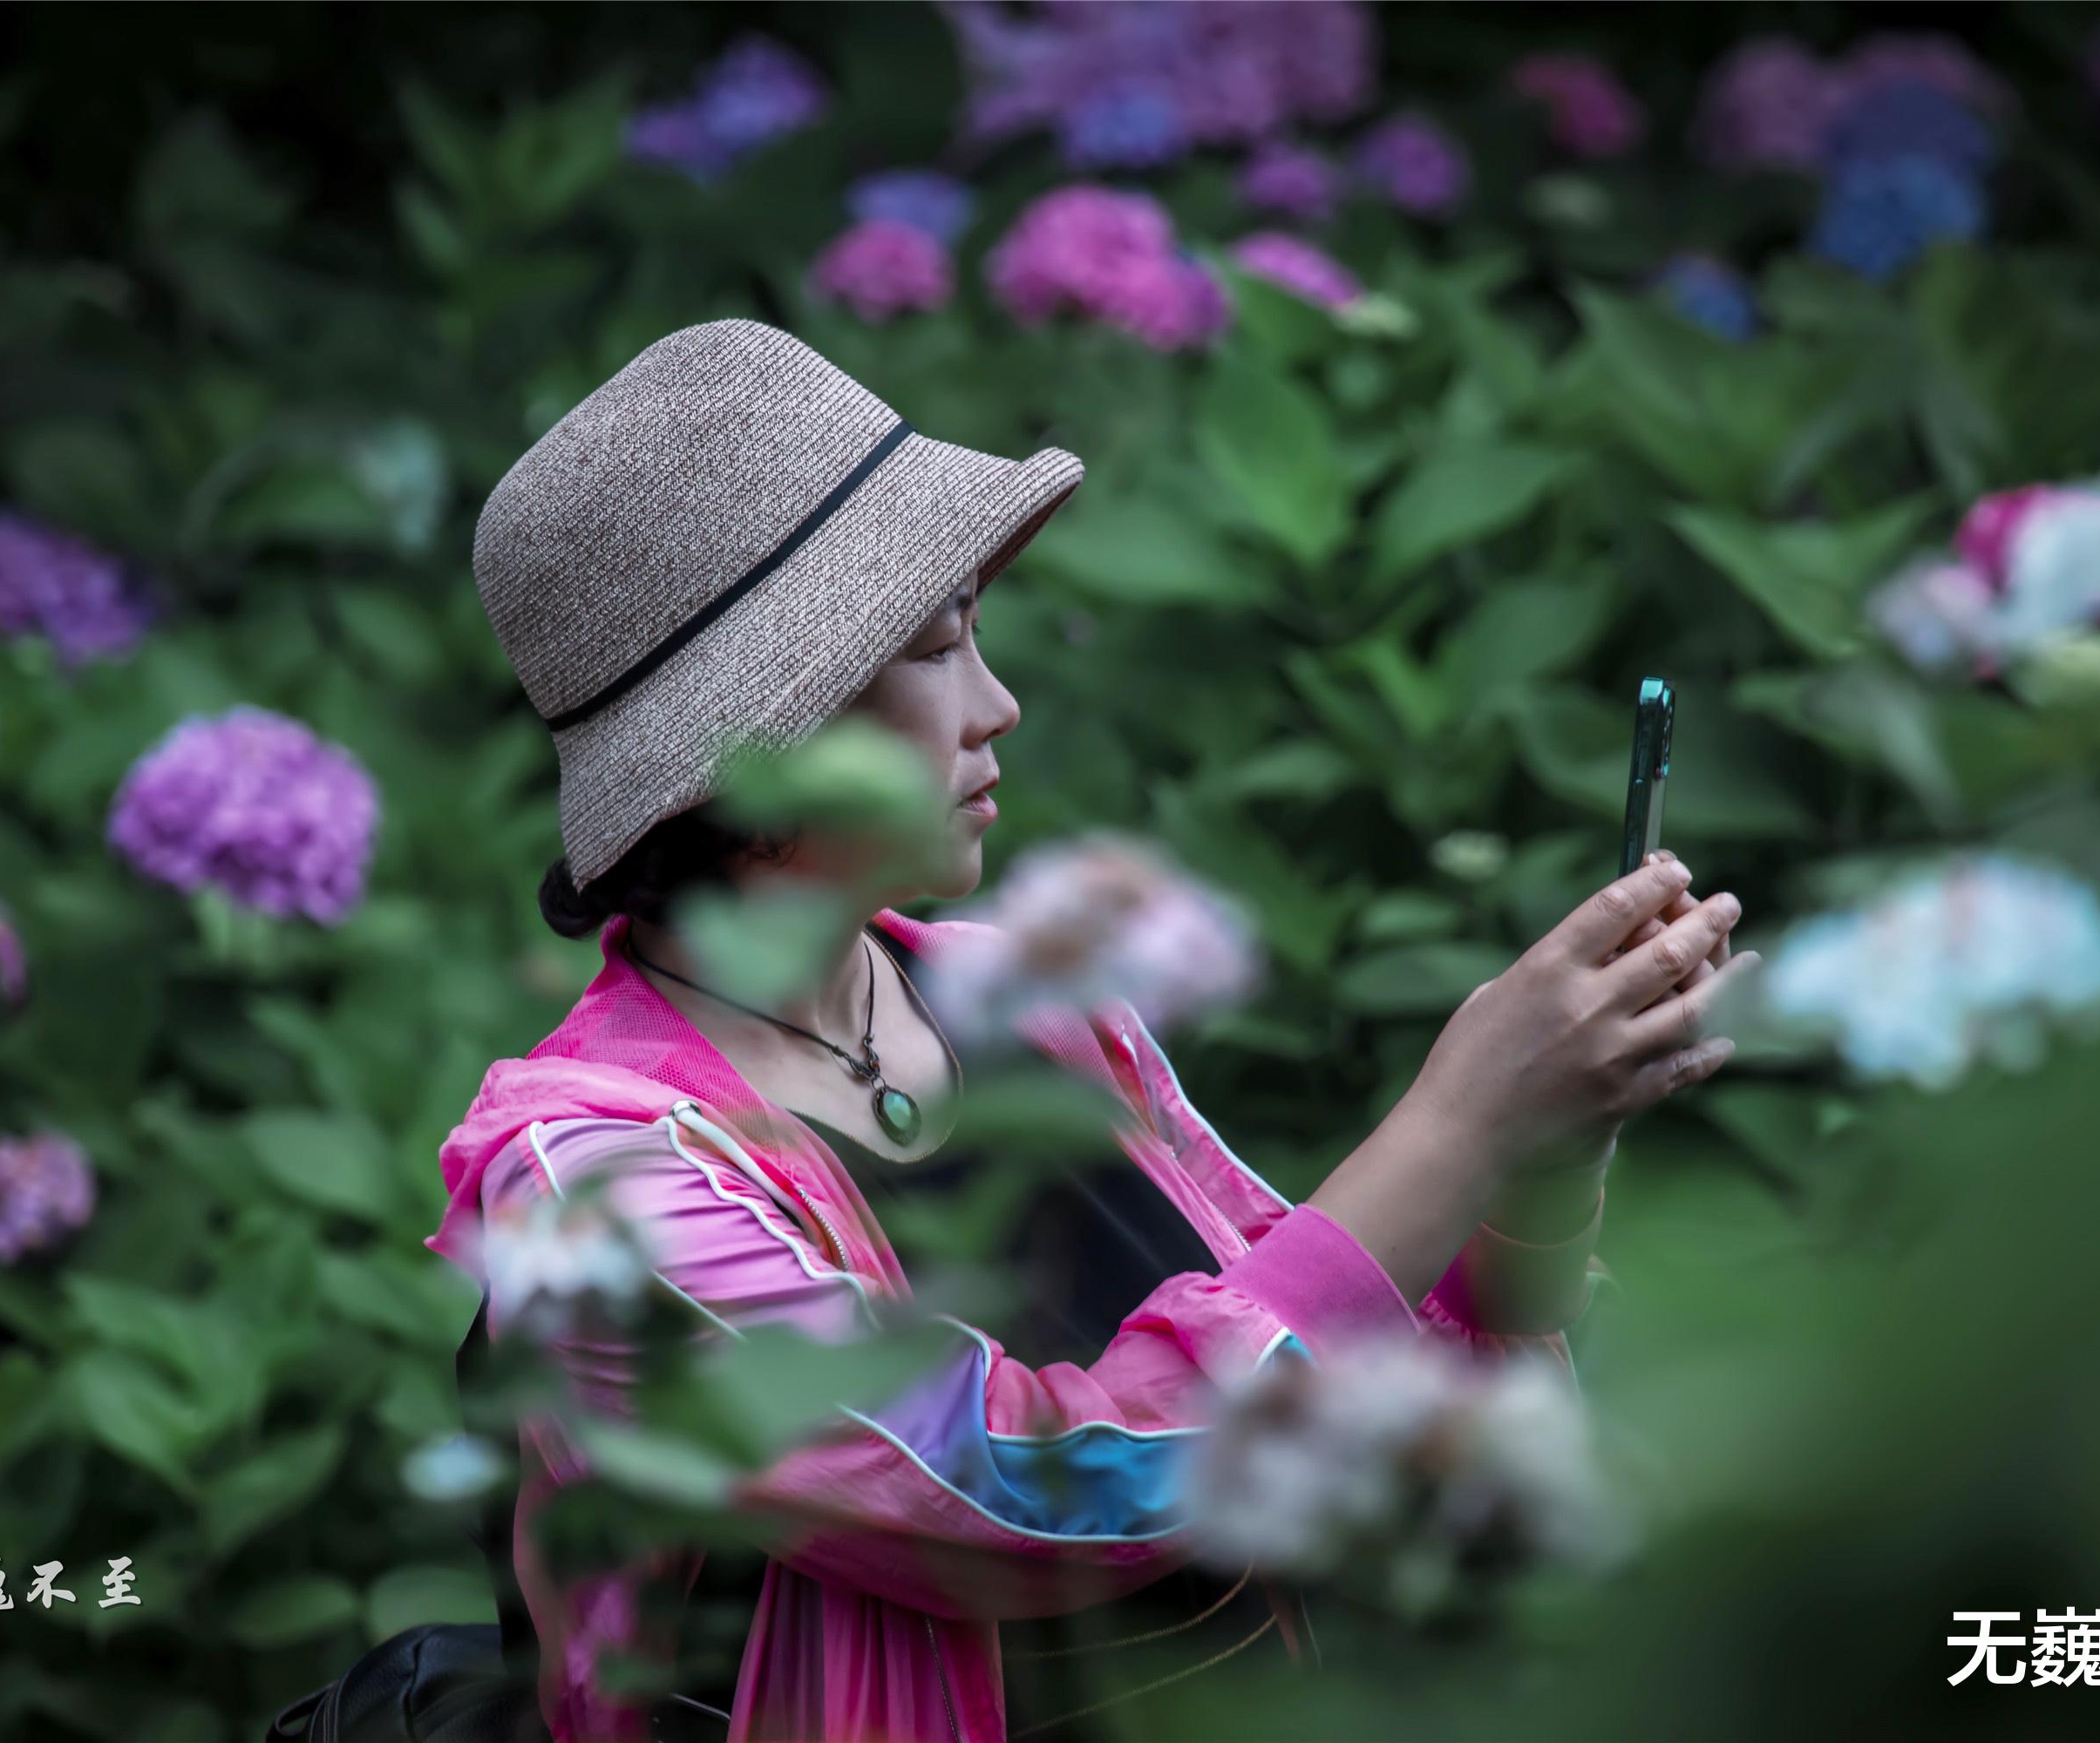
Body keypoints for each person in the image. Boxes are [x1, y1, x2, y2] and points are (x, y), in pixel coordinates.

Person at [426, 319, 1754, 1743]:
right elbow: (1017, 1490)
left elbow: (1344, 1364)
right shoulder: (596, 1185)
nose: (997, 707)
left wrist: (1541, 1151)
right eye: (937, 649)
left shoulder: (1041, 1013)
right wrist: (1459, 1121)